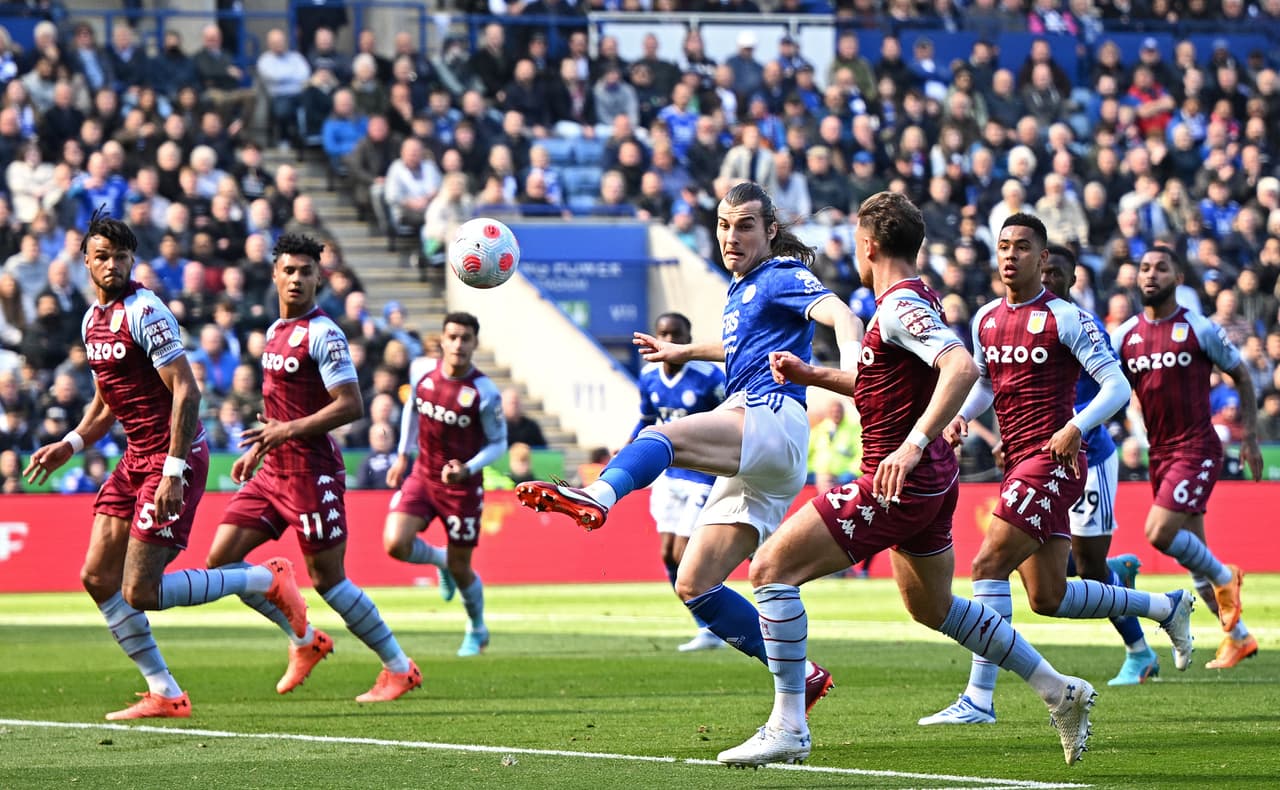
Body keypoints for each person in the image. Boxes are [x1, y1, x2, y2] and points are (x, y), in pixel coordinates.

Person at [716, 191, 1096, 768]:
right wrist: (812, 373)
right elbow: (885, 384)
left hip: (897, 483)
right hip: (931, 485)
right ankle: (1056, 688)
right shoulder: (909, 299)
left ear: (868, 247)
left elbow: (960, 365)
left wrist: (913, 444)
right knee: (933, 606)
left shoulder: (897, 307)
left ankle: (788, 724)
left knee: (770, 570)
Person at [515, 181, 865, 715]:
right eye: (724, 225)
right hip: (763, 451)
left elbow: (842, 314)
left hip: (772, 416)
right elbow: (738, 345)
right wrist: (685, 349)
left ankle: (599, 497)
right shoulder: (742, 289)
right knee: (695, 584)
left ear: (771, 230)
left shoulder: (780, 276)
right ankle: (802, 675)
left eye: (745, 225)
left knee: (662, 436)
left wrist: (852, 366)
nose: (731, 236)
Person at [22, 212, 306, 721]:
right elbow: (110, 398)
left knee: (141, 591)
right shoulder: (92, 321)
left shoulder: (145, 310)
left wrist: (173, 469)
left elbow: (186, 390)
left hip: (174, 457)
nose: (111, 265)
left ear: (133, 261)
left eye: (121, 257)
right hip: (136, 458)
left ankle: (264, 579)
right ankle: (166, 692)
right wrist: (72, 440)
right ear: (85, 261)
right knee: (95, 577)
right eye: (102, 256)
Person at [919, 214, 1193, 727]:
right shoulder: (984, 319)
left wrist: (1074, 427)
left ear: (1042, 260)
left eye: (1023, 247)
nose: (1010, 255)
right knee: (1048, 596)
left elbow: (1115, 388)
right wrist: (959, 417)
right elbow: (984, 384)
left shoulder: (1065, 317)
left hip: (1054, 461)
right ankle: (1166, 606)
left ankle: (979, 698)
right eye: (1004, 246)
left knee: (985, 567)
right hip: (1017, 460)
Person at [204, 233, 421, 702]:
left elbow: (351, 406)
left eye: (306, 271)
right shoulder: (275, 332)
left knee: (327, 580)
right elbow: (276, 408)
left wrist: (286, 432)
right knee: (220, 561)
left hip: (310, 474)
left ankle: (399, 668)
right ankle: (305, 639)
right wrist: (260, 447)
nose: (297, 278)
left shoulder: (325, 333)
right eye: (290, 270)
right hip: (270, 471)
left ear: (319, 277)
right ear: (275, 274)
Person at [1114, 246, 1261, 669]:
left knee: (1159, 534)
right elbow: (1108, 387)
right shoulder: (1125, 336)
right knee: (1194, 553)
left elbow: (1242, 376)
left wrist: (1249, 437)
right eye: (1144, 268)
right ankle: (1238, 638)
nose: (1150, 275)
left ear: (1177, 276)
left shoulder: (1199, 329)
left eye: (1161, 268)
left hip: (1196, 447)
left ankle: (1225, 577)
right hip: (1160, 454)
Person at [1041, 245, 1157, 686]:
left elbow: (1111, 392)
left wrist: (1074, 430)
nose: (1048, 279)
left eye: (1057, 273)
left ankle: (1140, 652)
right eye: (1044, 270)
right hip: (1044, 461)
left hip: (1090, 459)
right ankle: (1118, 574)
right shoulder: (1025, 326)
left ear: (1073, 281)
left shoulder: (1085, 327)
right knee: (1042, 565)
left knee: (1087, 571)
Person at [382, 312, 506, 657]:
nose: (458, 344)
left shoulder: (484, 392)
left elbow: (499, 444)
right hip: (423, 475)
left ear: (475, 343)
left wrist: (467, 469)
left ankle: (476, 629)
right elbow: (412, 410)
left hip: (462, 488)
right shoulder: (422, 372)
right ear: (443, 340)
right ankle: (440, 562)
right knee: (395, 543)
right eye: (453, 337)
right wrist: (403, 455)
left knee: (462, 567)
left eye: (466, 338)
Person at [631, 312, 727, 652]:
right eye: (662, 333)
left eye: (675, 334)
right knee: (667, 554)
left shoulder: (709, 377)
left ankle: (720, 621)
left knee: (687, 553)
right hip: (669, 475)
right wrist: (628, 453)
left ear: (687, 336)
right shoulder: (648, 377)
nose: (667, 339)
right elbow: (645, 420)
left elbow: (729, 420)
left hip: (702, 474)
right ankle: (706, 626)